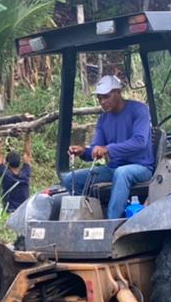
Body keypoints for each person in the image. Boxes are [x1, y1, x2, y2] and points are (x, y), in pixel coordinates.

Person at [63, 75, 153, 220]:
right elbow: (97, 148)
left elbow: (139, 142)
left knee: (122, 173)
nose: (102, 102)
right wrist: (83, 151)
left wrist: (108, 149)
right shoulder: (103, 119)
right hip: (113, 169)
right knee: (70, 179)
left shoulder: (139, 110)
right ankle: (90, 217)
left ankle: (112, 223)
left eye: (106, 97)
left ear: (118, 92)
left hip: (141, 167)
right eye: (99, 98)